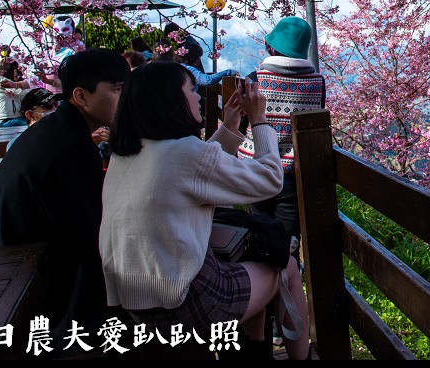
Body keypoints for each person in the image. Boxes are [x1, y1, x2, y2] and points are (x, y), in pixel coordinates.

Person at [99, 62, 310, 359]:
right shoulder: (184, 152)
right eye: (191, 90)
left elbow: (196, 173)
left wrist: (231, 126)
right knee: (285, 265)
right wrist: (261, 121)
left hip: (136, 303)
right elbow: (270, 180)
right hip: (187, 304)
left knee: (247, 262)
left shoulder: (127, 154)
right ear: (170, 100)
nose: (198, 96)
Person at [0, 48, 131, 344]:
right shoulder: (68, 148)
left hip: (6, 270)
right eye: (118, 90)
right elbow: (95, 239)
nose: (126, 99)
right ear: (81, 97)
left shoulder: (55, 131)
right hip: (27, 295)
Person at [237, 17, 326, 246]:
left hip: (254, 167)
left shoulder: (254, 80)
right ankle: (289, 277)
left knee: (257, 230)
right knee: (287, 240)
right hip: (292, 173)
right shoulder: (318, 83)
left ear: (272, 48)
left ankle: (261, 277)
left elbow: (239, 125)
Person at [0, 53, 32, 119]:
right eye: (15, 71)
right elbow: (24, 94)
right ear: (9, 71)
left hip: (5, 117)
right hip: (6, 118)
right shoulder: (3, 83)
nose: (17, 75)